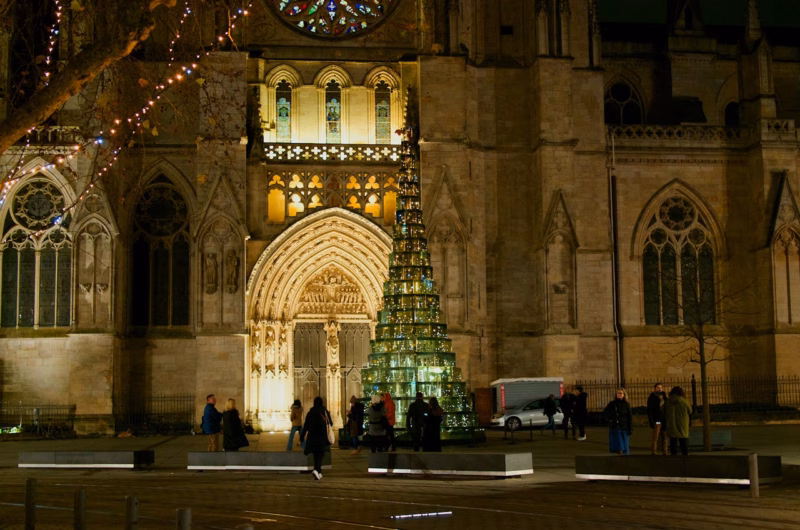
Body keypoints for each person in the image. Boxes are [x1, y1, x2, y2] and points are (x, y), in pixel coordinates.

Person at [300, 396, 333, 480]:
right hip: (322, 437)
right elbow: (331, 423)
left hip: (312, 437)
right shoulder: (325, 412)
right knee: (320, 454)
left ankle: (318, 471)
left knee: (316, 455)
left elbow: (306, 426)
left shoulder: (310, 412)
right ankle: (316, 470)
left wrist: (302, 437)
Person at [602, 388, 632, 455]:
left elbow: (629, 417)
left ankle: (625, 458)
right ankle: (620, 456)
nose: (619, 395)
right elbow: (605, 412)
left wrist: (630, 428)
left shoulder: (626, 404)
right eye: (618, 393)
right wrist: (609, 420)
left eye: (621, 393)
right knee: (619, 444)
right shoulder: (612, 404)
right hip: (615, 426)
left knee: (625, 444)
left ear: (624, 395)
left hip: (624, 426)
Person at [665, 386, 692, 456]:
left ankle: (674, 459)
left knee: (673, 443)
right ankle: (685, 459)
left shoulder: (668, 402)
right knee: (683, 443)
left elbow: (664, 411)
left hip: (671, 424)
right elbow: (690, 411)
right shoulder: (684, 402)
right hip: (682, 424)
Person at [647, 382, 669, 455]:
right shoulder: (652, 398)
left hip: (664, 419)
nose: (659, 389)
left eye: (661, 388)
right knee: (656, 435)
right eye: (658, 388)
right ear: (655, 389)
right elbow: (650, 410)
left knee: (665, 436)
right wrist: (651, 420)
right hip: (657, 419)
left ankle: (665, 451)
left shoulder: (665, 397)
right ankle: (654, 451)